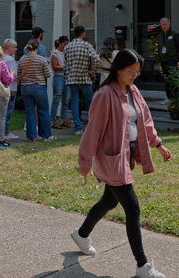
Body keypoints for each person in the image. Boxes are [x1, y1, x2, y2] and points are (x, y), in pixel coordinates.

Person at [73, 49, 172, 278]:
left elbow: (145, 120)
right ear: (118, 69)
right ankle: (142, 265)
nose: (134, 76)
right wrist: (85, 161)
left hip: (127, 157)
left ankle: (82, 233)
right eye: (130, 71)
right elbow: (93, 130)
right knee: (132, 208)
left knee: (110, 200)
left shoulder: (134, 91)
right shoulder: (104, 94)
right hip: (112, 159)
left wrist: (158, 144)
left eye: (137, 72)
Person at [64, 25, 100, 135]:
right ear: (83, 33)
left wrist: (67, 76)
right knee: (91, 101)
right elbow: (97, 59)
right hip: (84, 77)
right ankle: (92, 126)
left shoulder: (68, 47)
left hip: (72, 78)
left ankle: (78, 128)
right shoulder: (86, 45)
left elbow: (65, 65)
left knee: (75, 103)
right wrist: (92, 71)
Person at [17, 39, 54, 142]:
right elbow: (48, 74)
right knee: (43, 111)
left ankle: (31, 136)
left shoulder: (21, 59)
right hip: (39, 86)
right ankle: (46, 135)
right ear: (37, 48)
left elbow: (19, 74)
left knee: (30, 112)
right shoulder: (41, 60)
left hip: (25, 87)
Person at [156, 17, 179, 101]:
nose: (164, 26)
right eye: (162, 25)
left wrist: (176, 59)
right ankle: (169, 97)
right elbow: (159, 48)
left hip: (172, 60)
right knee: (166, 79)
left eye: (165, 25)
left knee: (173, 79)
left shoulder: (174, 35)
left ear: (169, 25)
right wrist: (159, 60)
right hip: (163, 61)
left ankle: (176, 97)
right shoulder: (159, 35)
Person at [0, 39, 20, 141]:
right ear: (9, 47)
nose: (16, 49)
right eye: (14, 47)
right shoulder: (10, 60)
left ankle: (1, 131)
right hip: (11, 88)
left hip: (1, 88)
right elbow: (14, 75)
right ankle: (6, 132)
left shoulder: (1, 58)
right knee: (9, 111)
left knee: (2, 111)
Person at [50, 35, 70, 129]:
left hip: (66, 77)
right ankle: (54, 121)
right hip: (58, 77)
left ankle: (63, 120)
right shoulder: (55, 53)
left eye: (67, 44)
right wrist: (66, 67)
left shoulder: (67, 53)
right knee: (56, 99)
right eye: (64, 44)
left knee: (65, 100)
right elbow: (54, 67)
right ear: (60, 43)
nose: (65, 46)